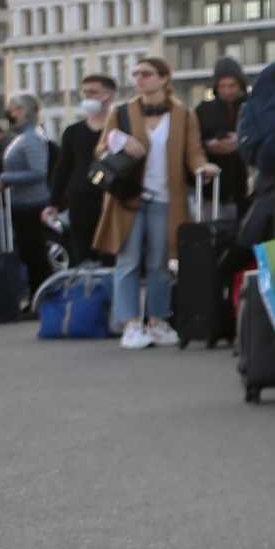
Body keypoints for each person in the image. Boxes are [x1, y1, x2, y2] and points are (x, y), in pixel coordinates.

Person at [92, 56, 211, 349]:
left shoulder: (183, 114)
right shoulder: (121, 113)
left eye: (146, 74)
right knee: (128, 260)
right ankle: (130, 323)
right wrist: (120, 141)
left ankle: (157, 320)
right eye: (136, 74)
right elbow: (101, 149)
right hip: (129, 196)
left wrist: (202, 168)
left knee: (161, 262)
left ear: (164, 78)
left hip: (165, 197)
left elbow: (193, 152)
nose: (140, 79)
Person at [0, 100, 54, 302]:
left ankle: (41, 298)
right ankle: (37, 297)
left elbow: (38, 172)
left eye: (13, 108)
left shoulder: (31, 138)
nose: (9, 112)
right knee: (30, 253)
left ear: (24, 111)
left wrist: (5, 178)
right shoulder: (22, 137)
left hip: (31, 204)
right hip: (21, 203)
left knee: (35, 254)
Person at [56, 73, 116, 266]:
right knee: (80, 255)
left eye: (93, 92)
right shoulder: (73, 131)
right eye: (85, 92)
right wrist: (52, 203)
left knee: (109, 256)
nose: (88, 97)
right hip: (79, 201)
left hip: (110, 200)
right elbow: (63, 168)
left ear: (109, 95)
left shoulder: (120, 128)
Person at [192, 57, 253, 223]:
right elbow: (194, 143)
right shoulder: (204, 110)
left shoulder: (251, 106)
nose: (228, 91)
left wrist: (240, 141)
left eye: (232, 86)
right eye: (223, 86)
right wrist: (210, 145)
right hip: (214, 190)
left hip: (245, 186)